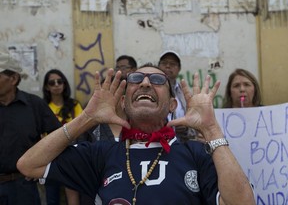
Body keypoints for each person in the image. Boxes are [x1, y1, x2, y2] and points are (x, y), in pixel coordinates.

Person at [17, 63, 256, 205]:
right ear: (123, 102)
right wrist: (87, 118)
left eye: (157, 80)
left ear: (173, 105)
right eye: (135, 78)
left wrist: (211, 129)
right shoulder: (101, 154)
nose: (145, 83)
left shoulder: (198, 153)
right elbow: (29, 165)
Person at [0, 52, 61, 205]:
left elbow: (58, 136)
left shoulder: (34, 105)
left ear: (13, 79)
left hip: (23, 188)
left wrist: (44, 164)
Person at [43, 69, 84, 205]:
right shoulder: (43, 107)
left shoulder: (74, 105)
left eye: (59, 81)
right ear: (47, 87)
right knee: (52, 197)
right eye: (52, 83)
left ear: (64, 84)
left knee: (73, 197)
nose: (56, 85)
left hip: (72, 156)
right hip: (50, 158)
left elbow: (83, 128)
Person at [158, 50, 195, 141]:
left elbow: (194, 121)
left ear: (179, 69)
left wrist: (187, 128)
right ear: (158, 66)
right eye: (164, 63)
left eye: (172, 64)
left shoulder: (183, 93)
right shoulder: (151, 89)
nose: (168, 66)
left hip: (182, 142)